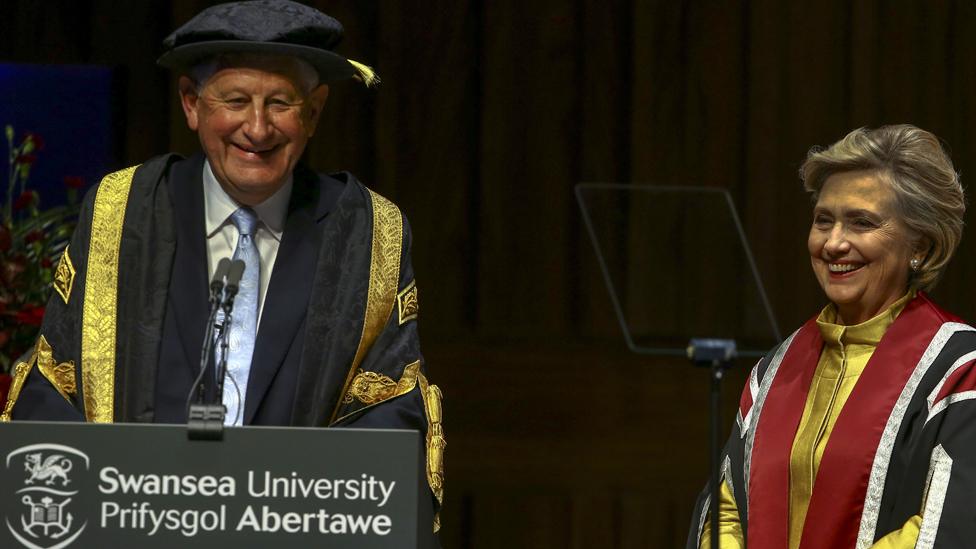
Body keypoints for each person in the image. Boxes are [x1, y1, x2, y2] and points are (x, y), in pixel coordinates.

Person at [0, 0, 444, 538]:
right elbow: (57, 383)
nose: (257, 128)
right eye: (235, 100)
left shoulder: (366, 232)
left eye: (280, 103)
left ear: (314, 112)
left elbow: (388, 409)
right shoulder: (125, 212)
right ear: (191, 104)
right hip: (132, 526)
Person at [688, 125, 976, 548]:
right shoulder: (774, 371)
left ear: (921, 246)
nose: (834, 243)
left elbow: (949, 522)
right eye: (824, 220)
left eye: (861, 222)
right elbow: (727, 505)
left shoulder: (958, 370)